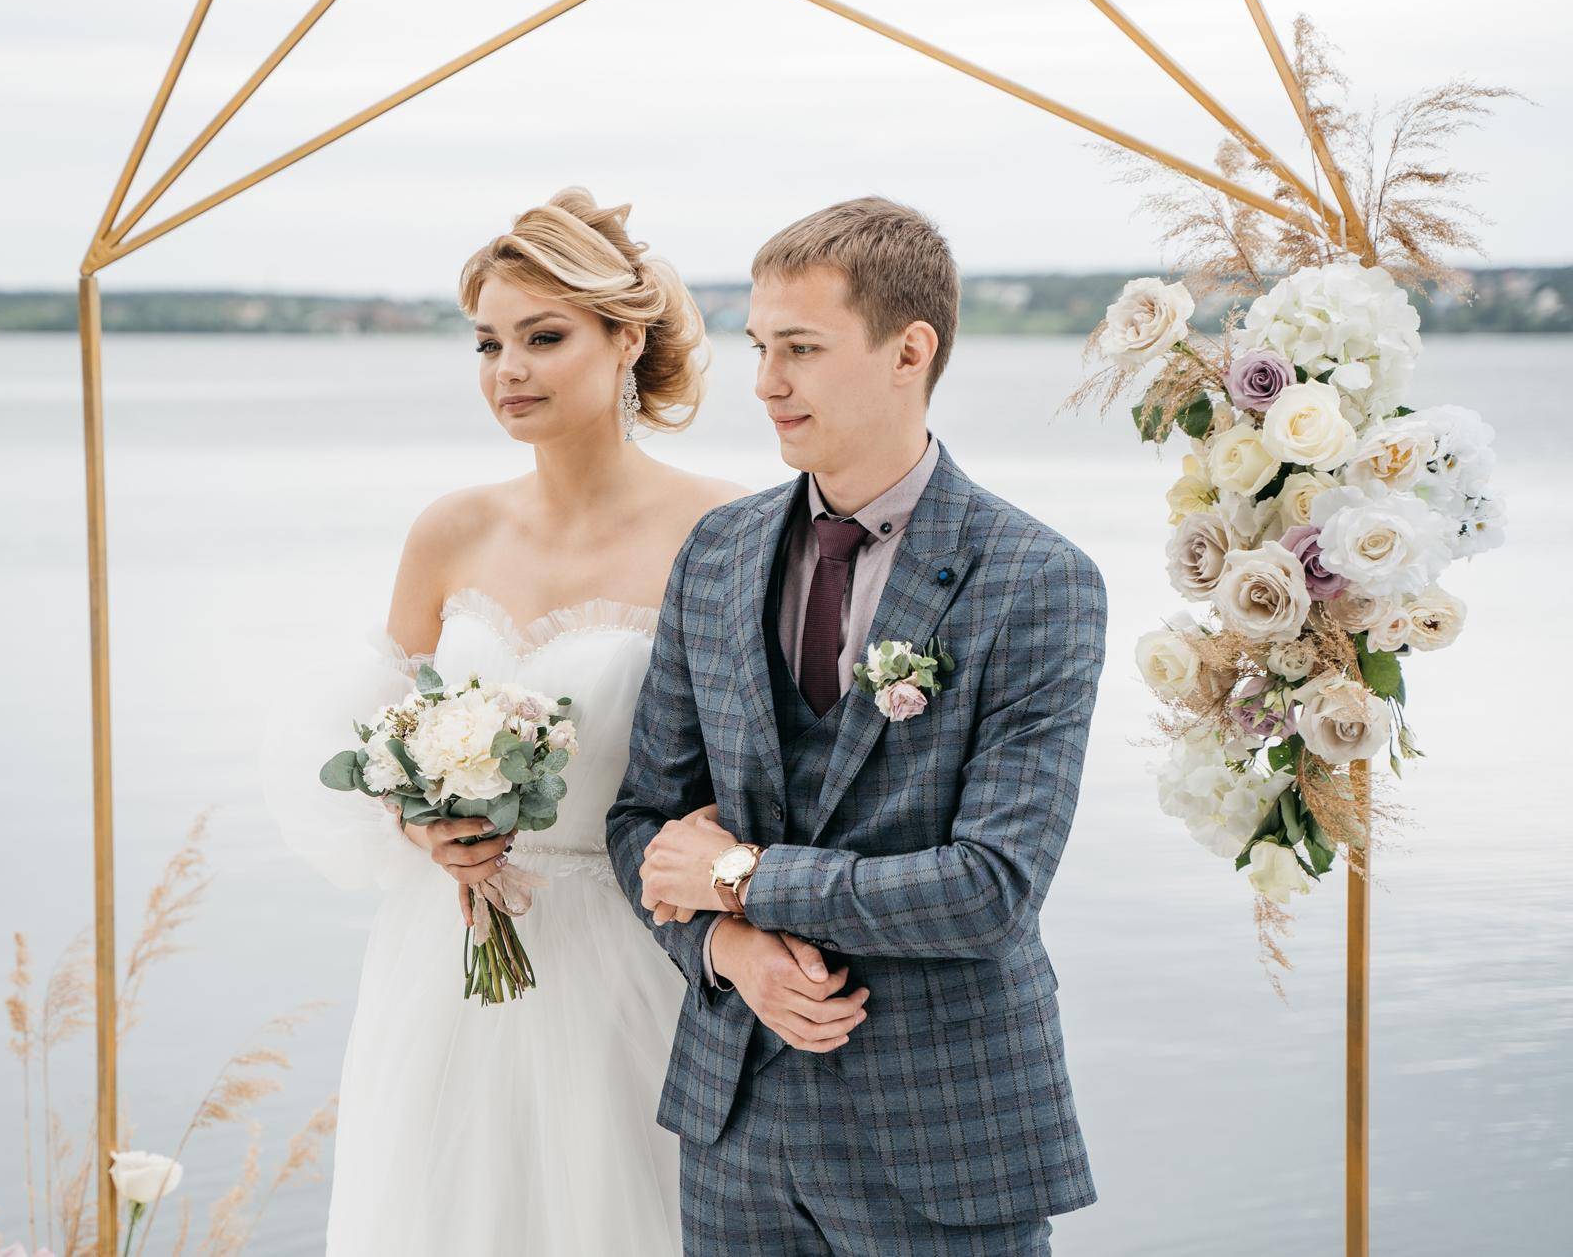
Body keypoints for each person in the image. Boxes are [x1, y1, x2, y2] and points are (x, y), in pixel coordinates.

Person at [608, 196, 1106, 1255]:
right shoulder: (716, 552)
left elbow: (988, 889)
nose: (765, 383)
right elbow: (644, 823)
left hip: (944, 1141)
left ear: (907, 350)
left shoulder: (1037, 578)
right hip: (732, 1133)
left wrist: (740, 875)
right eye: (757, 347)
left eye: (800, 348)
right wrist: (725, 946)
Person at [263, 186, 744, 1255]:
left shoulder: (722, 528)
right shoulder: (451, 529)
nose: (508, 370)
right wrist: (418, 825)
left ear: (624, 339)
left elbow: (756, 762)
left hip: (627, 950)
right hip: (447, 959)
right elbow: (373, 737)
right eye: (487, 342)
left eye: (542, 336)